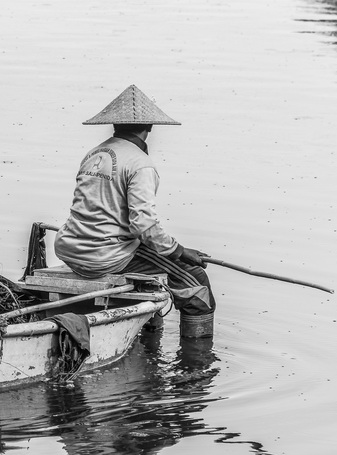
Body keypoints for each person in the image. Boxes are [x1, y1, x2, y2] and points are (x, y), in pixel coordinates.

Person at [53, 85, 216, 337]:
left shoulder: (95, 154)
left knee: (153, 258)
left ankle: (148, 328)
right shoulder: (140, 164)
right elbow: (144, 226)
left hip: (69, 248)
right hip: (104, 257)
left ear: (113, 126)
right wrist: (180, 252)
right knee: (195, 282)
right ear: (149, 127)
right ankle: (197, 358)